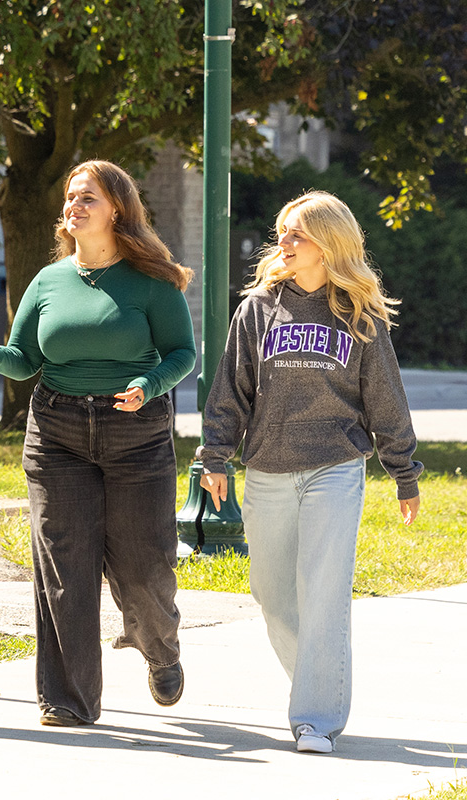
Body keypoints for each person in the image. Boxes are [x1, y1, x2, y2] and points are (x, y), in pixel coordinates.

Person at [0, 160, 196, 726]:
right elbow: (27, 358)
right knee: (63, 568)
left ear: (117, 210)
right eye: (70, 197)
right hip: (56, 432)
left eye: (88, 198)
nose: (74, 206)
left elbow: (183, 353)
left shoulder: (150, 281)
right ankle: (68, 700)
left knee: (143, 568)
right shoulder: (47, 281)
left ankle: (160, 648)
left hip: (135, 431)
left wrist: (148, 383)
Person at [198, 191, 422, 753]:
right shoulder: (258, 308)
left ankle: (316, 718)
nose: (285, 243)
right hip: (268, 466)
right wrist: (215, 454)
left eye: (297, 234)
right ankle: (320, 681)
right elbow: (232, 388)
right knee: (271, 594)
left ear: (329, 243)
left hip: (335, 466)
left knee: (323, 593)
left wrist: (404, 471)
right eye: (283, 234)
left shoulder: (358, 315)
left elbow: (385, 399)